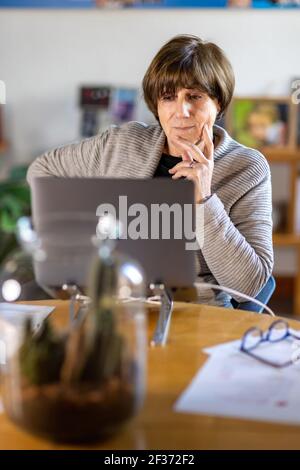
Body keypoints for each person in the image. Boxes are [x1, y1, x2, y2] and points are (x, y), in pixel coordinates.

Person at [27, 34, 274, 308]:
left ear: (218, 103)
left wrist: (204, 198)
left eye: (194, 96)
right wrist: (79, 241)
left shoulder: (247, 168)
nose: (182, 111)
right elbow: (43, 170)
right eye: (168, 97)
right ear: (156, 105)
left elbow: (251, 286)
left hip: (200, 315)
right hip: (116, 306)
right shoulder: (121, 143)